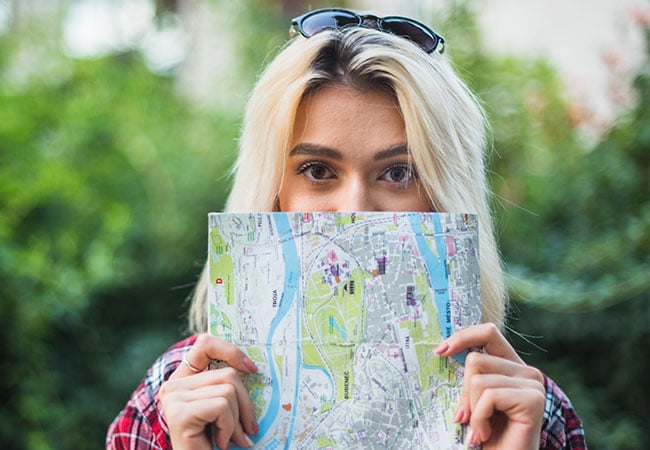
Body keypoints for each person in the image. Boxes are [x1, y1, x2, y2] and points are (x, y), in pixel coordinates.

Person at [106, 7, 587, 450]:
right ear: (273, 195)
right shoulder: (173, 404)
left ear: (446, 199)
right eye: (317, 170)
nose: (354, 208)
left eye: (399, 172)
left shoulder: (526, 415)